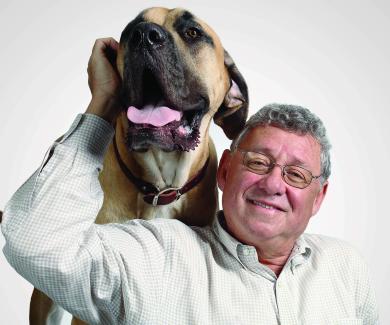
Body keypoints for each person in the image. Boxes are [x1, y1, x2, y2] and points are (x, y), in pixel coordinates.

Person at [2, 38, 378, 325]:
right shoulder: (153, 258)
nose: (273, 184)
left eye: (296, 174)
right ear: (225, 170)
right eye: (259, 162)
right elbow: (34, 242)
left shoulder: (344, 266)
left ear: (319, 198)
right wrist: (104, 106)